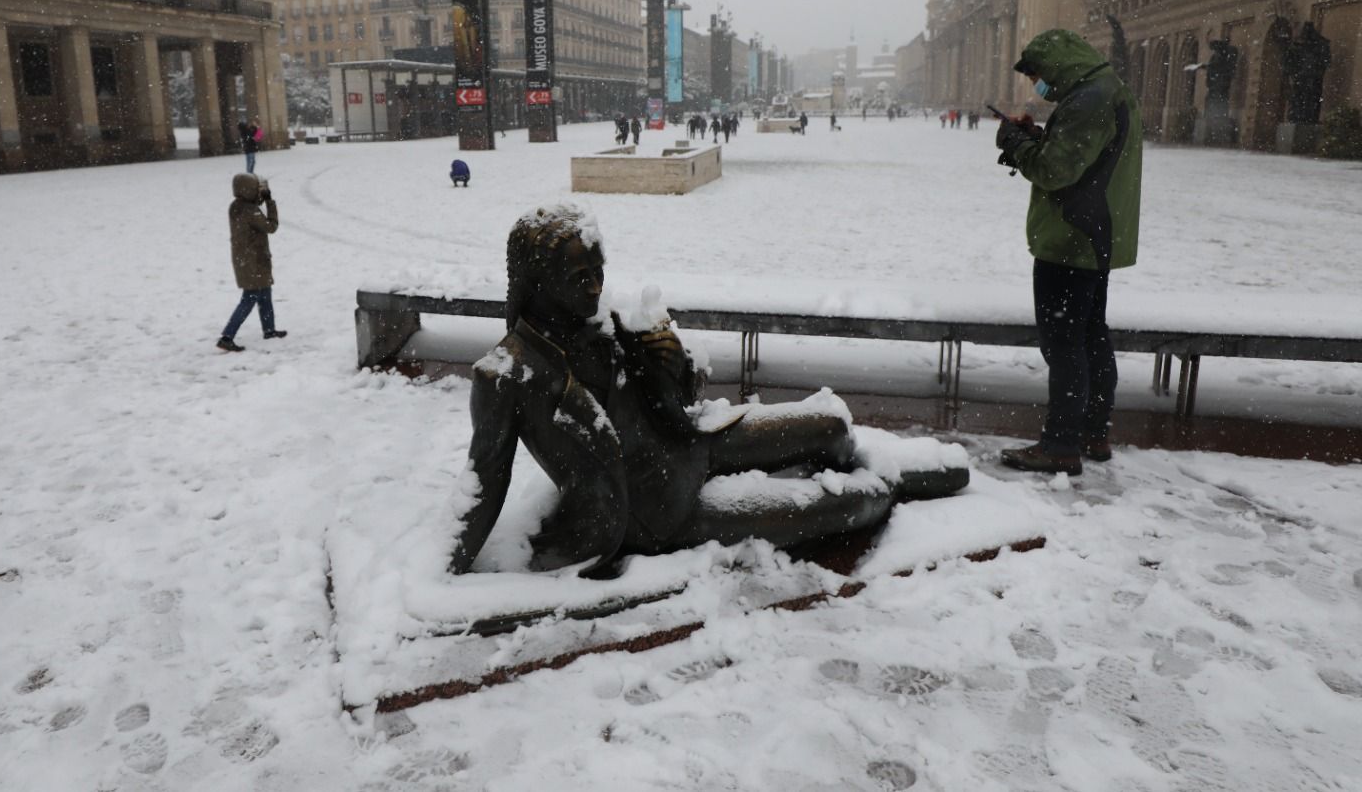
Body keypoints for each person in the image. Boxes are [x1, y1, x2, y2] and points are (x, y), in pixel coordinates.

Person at [449, 204, 968, 575]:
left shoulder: (605, 324)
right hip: (654, 511)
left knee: (831, 426)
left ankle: (855, 463)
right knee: (832, 508)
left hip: (693, 439)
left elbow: (680, 395)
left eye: (598, 272)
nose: (594, 287)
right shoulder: (506, 375)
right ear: (537, 283)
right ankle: (892, 486)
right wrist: (444, 570)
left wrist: (671, 362)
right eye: (577, 277)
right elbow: (484, 481)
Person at [995, 28, 1142, 476]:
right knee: (1091, 337)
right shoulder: (1105, 91)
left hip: (1071, 238)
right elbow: (1082, 159)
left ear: (1056, 65)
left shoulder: (1088, 100)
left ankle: (1060, 444)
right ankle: (1094, 432)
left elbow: (1055, 171)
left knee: (1065, 346)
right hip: (1094, 233)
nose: (1038, 84)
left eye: (1038, 74)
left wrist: (1016, 143)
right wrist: (1037, 137)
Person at [216, 173, 285, 352]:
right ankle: (227, 336)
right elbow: (271, 226)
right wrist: (270, 202)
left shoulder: (236, 206)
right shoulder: (250, 211)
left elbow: (252, 210)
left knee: (265, 295)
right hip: (254, 261)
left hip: (246, 260)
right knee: (250, 298)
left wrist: (259, 198)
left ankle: (269, 330)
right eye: (256, 188)